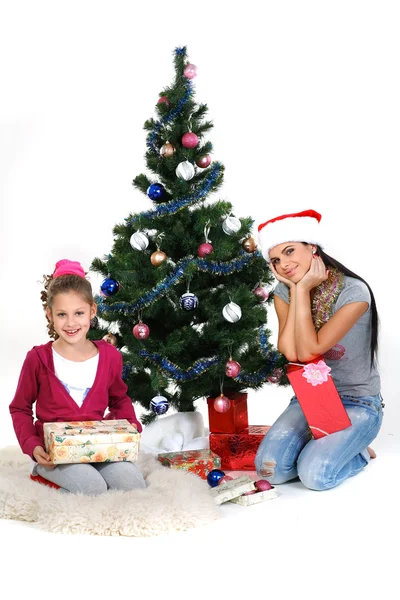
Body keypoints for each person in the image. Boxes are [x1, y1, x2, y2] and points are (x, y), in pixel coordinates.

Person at [255, 210, 383, 491]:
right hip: (310, 398)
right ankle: (332, 447)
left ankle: (357, 452)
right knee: (269, 471)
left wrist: (300, 290)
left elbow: (311, 349)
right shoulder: (283, 292)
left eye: (290, 251)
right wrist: (297, 289)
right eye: (276, 259)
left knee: (315, 476)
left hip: (357, 402)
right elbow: (291, 352)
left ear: (312, 247)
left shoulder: (354, 292)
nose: (284, 264)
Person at [9, 259, 146, 495]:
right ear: (49, 314)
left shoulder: (110, 356)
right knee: (92, 488)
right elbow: (20, 408)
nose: (71, 323)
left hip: (97, 446)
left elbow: (119, 399)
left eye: (79, 313)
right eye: (62, 314)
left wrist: (129, 425)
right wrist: (33, 446)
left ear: (92, 310)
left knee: (133, 484)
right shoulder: (39, 358)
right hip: (56, 453)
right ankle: (43, 477)